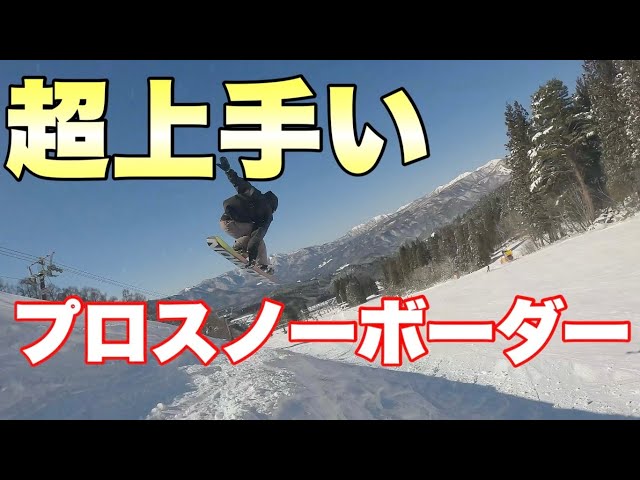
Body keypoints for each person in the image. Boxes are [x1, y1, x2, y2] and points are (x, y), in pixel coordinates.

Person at [216, 156, 278, 274]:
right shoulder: (267, 214)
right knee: (258, 238)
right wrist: (252, 258)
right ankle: (262, 265)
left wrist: (228, 170)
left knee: (250, 236)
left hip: (224, 221)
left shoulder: (255, 194)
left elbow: (239, 183)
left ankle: (241, 249)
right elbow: (256, 237)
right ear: (273, 208)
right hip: (234, 222)